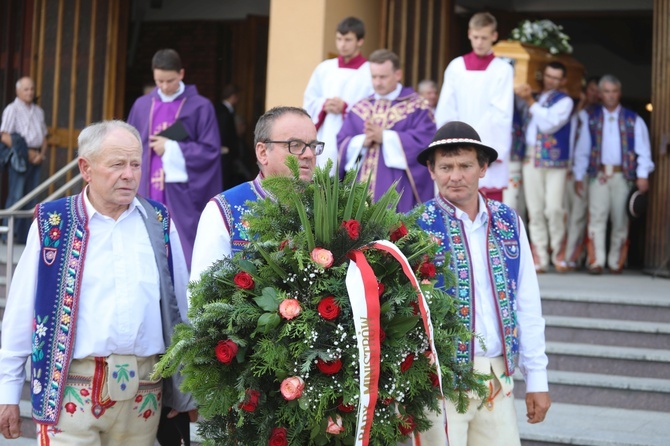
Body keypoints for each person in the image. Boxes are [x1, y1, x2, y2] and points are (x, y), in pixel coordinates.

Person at [0, 120, 193, 445]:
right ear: (85, 168)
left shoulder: (159, 221)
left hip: (144, 391)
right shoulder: (53, 224)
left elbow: (181, 309)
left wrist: (185, 388)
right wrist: (7, 390)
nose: (129, 174)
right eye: (117, 165)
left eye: (135, 164)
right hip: (70, 387)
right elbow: (21, 313)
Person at [415, 121, 550, 446]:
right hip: (440, 379)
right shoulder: (416, 225)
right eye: (445, 167)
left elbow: (527, 304)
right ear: (432, 170)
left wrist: (538, 378)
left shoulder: (508, 221)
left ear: (483, 168)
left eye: (465, 166)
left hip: (497, 374)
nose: (455, 176)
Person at [190, 106, 319, 280]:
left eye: (313, 145)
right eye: (295, 145)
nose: (309, 154)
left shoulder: (330, 207)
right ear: (263, 152)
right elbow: (201, 296)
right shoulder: (224, 210)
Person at [127, 48, 222, 268]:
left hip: (181, 195)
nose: (164, 86)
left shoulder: (200, 106)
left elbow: (210, 151)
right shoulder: (142, 106)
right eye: (158, 81)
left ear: (181, 74)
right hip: (146, 188)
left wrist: (171, 149)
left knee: (181, 249)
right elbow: (129, 146)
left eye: (169, 80)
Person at [573, 74, 654, 274]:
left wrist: (643, 175)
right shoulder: (591, 118)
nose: (610, 95)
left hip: (623, 176)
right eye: (606, 91)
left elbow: (643, 150)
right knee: (596, 218)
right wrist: (578, 175)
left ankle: (616, 262)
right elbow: (582, 150)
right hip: (597, 175)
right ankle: (596, 261)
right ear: (600, 94)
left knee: (620, 219)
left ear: (619, 93)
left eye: (614, 91)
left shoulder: (633, 119)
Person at [337, 49, 436, 213]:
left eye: (383, 77)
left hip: (399, 188)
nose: (377, 82)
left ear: (398, 74)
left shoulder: (418, 107)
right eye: (374, 77)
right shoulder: (360, 108)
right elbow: (342, 141)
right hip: (359, 188)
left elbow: (426, 143)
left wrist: (386, 137)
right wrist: (362, 142)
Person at [434, 12, 513, 203]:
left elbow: (501, 114)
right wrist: (453, 143)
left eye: (484, 38)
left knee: (490, 205)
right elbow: (446, 109)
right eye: (476, 37)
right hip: (456, 144)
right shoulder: (456, 67)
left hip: (487, 146)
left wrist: (486, 150)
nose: (479, 42)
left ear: (494, 36)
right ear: (469, 33)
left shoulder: (502, 69)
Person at [515, 61, 573, 273]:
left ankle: (558, 253)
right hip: (530, 157)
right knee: (535, 209)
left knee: (554, 209)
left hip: (555, 160)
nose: (551, 81)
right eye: (548, 76)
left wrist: (530, 101)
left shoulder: (565, 101)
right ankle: (540, 255)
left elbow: (549, 125)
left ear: (563, 80)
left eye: (556, 78)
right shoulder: (537, 97)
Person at [303, 16, 374, 175]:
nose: (342, 44)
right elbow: (309, 99)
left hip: (355, 140)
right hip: (326, 134)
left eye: (348, 39)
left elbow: (374, 108)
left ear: (360, 41)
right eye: (339, 39)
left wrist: (346, 108)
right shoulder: (324, 68)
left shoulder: (370, 72)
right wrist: (323, 104)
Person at [0, 76, 48, 243]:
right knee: (16, 195)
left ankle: (25, 236)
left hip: (36, 158)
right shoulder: (11, 109)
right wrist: (26, 153)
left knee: (32, 198)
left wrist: (41, 155)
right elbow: (4, 135)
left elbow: (44, 137)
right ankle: (8, 235)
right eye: (26, 89)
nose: (30, 92)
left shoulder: (38, 111)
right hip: (20, 158)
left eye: (32, 89)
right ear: (18, 91)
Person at [564, 76, 601, 270]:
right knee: (569, 215)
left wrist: (579, 173)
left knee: (585, 216)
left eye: (598, 91)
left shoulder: (597, 114)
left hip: (587, 171)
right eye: (592, 90)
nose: (595, 94)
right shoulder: (575, 112)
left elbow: (584, 148)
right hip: (569, 171)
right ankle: (567, 256)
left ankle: (577, 257)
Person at [216, 84, 248, 191]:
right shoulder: (223, 111)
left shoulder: (224, 110)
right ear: (233, 96)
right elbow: (223, 131)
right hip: (224, 152)